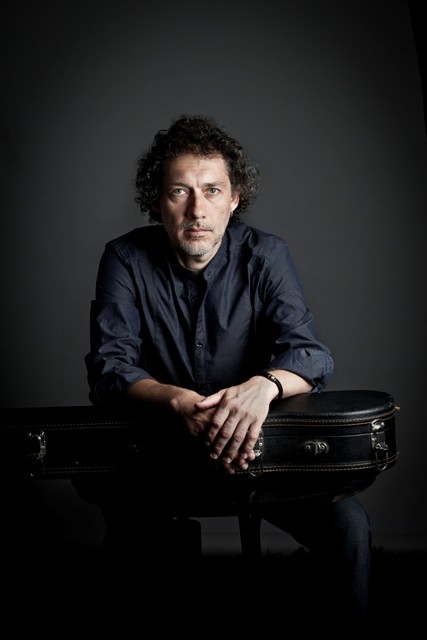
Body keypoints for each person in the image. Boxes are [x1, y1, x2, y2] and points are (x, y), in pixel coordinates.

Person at [76, 114, 372, 629]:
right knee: (137, 552)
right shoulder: (124, 258)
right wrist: (178, 402)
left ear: (234, 199)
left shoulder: (267, 254)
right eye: (179, 192)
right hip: (163, 456)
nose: (197, 210)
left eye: (212, 191)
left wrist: (263, 386)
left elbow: (309, 354)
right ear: (156, 202)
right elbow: (109, 369)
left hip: (260, 454)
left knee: (349, 527)